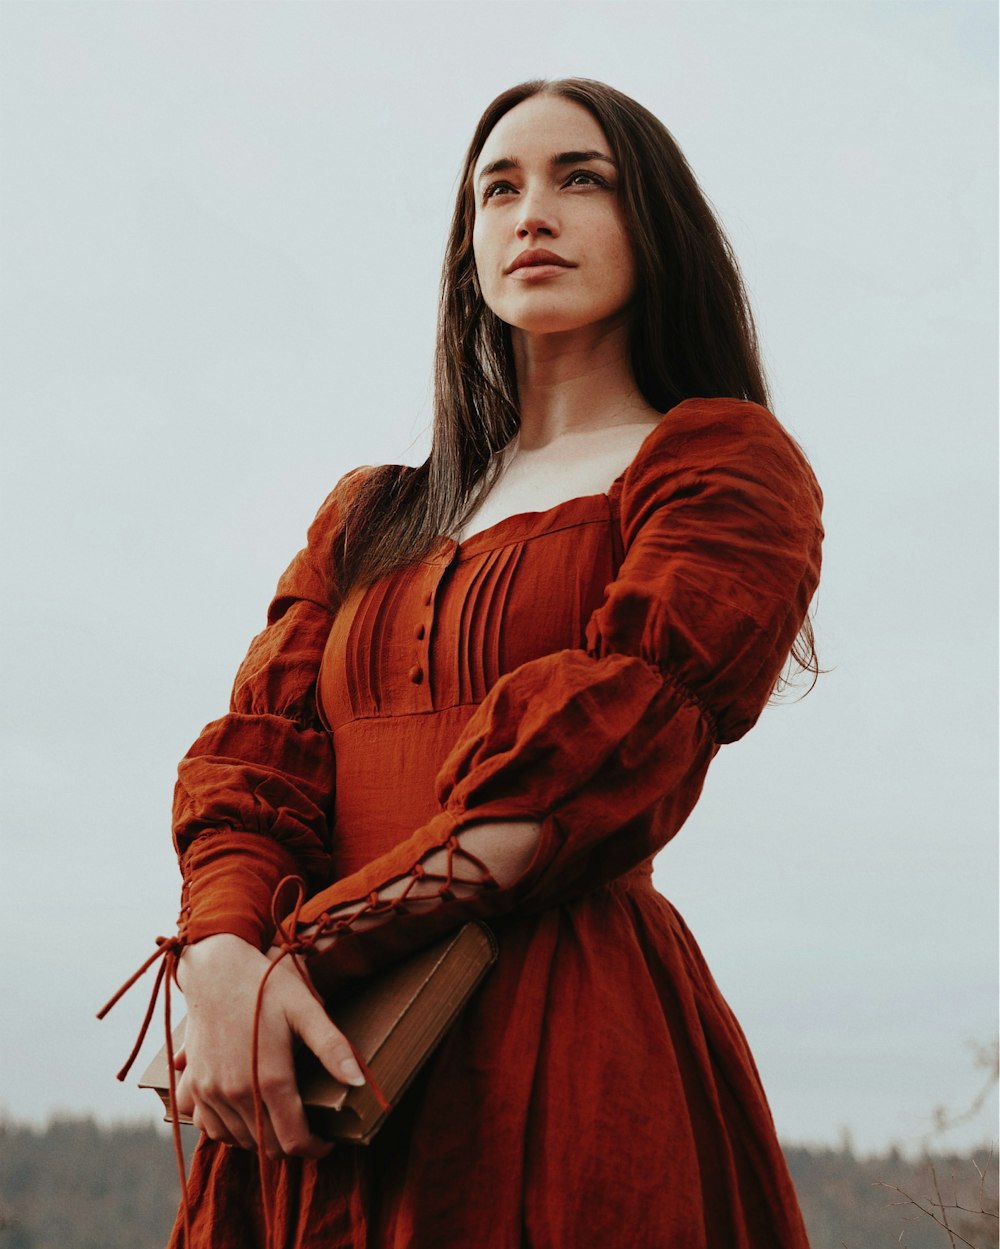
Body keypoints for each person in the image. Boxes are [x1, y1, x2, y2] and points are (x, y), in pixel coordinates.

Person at [154, 77, 823, 1247]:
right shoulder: (371, 515)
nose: (532, 213)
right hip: (311, 1052)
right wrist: (219, 950)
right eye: (497, 189)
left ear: (652, 224)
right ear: (469, 250)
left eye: (581, 178)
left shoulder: (718, 465)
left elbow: (598, 763)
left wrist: (295, 960)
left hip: (551, 1032)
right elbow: (259, 759)